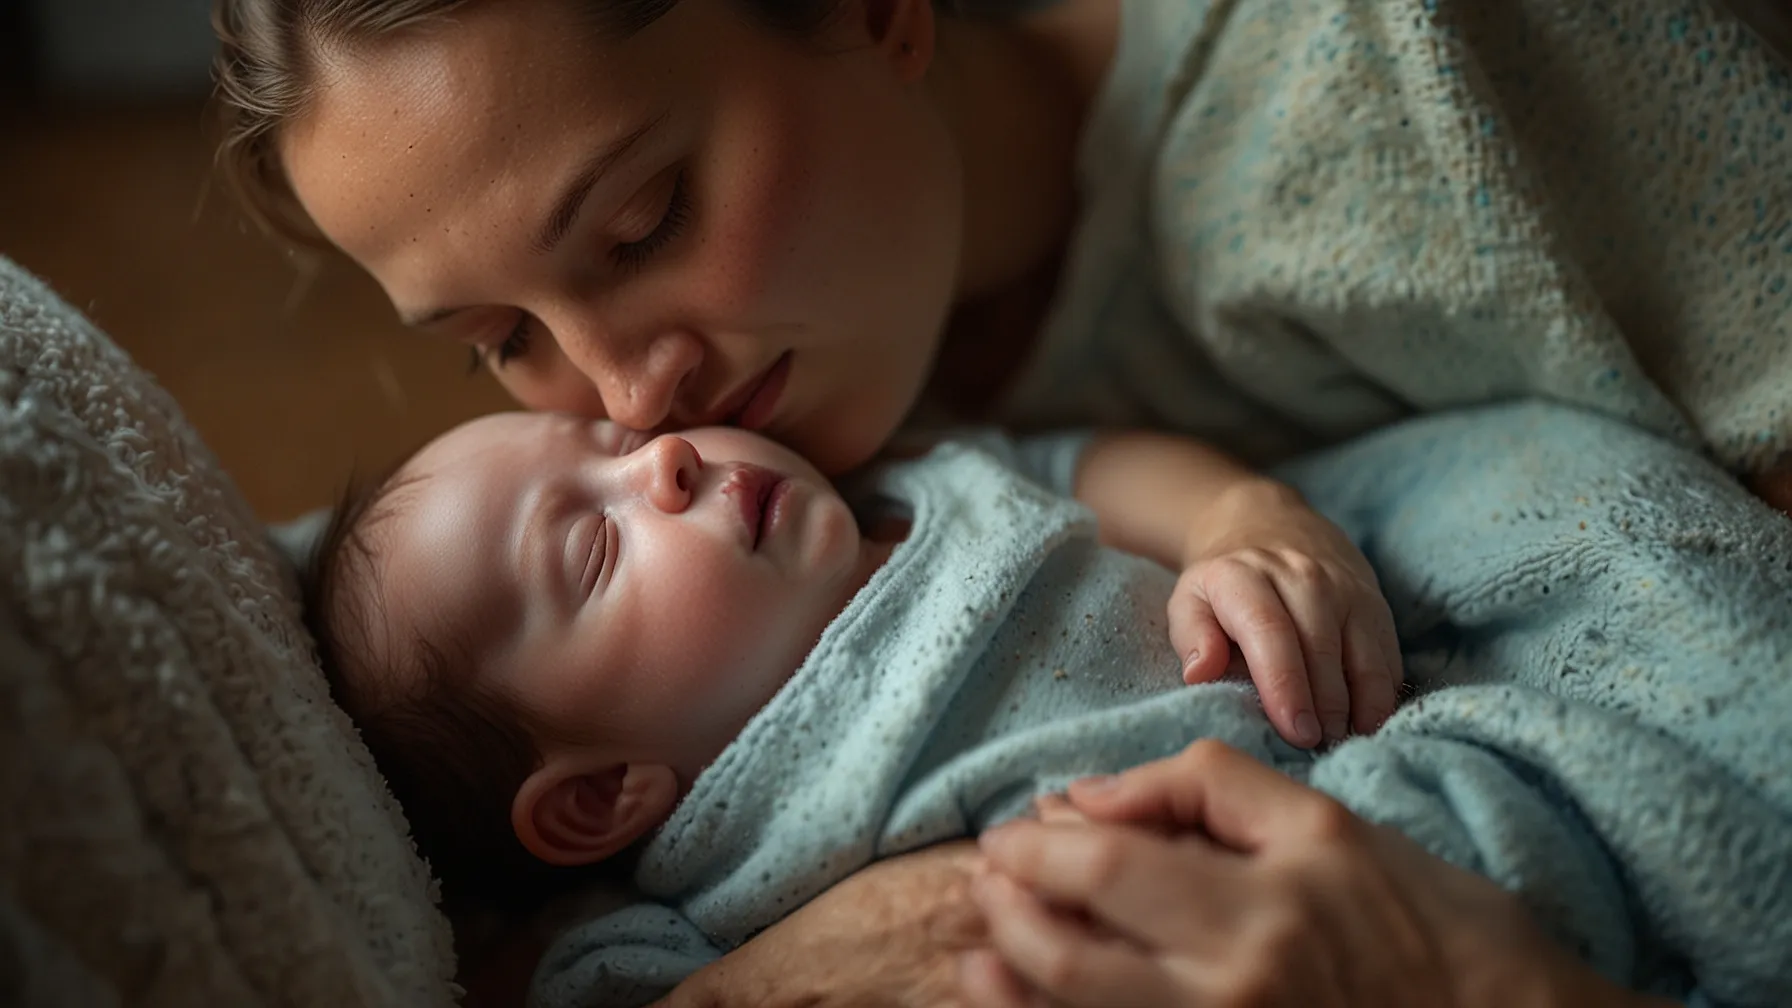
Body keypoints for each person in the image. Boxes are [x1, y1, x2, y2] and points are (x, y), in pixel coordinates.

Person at [208, 0, 1792, 1001]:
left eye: (639, 225)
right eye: (503, 342)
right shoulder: (752, 490)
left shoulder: (1420, 79)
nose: (630, 404)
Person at [301, 413, 1395, 1005]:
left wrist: (1235, 526)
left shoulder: (916, 481)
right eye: (594, 548)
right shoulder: (704, 913)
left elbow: (1087, 456)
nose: (668, 459)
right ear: (599, 797)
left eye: (618, 445)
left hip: (1369, 744)